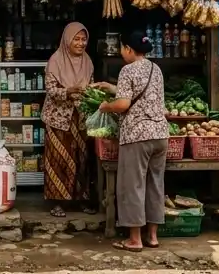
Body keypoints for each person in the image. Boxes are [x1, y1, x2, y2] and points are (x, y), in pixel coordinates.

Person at [94, 30, 168, 253]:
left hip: (137, 136)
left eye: (121, 47)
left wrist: (106, 106)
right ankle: (152, 236)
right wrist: (111, 87)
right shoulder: (156, 69)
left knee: (132, 186)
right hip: (160, 135)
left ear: (128, 49)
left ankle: (135, 239)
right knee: (155, 185)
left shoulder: (127, 70)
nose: (120, 52)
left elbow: (123, 105)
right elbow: (141, 94)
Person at [43, 21, 96, 217]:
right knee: (59, 159)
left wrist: (91, 93)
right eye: (77, 39)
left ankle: (81, 199)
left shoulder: (88, 61)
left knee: (81, 158)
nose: (81, 43)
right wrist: (68, 91)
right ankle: (58, 202)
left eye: (84, 40)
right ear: (67, 40)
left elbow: (90, 86)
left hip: (80, 118)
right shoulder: (55, 60)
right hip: (58, 119)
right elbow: (50, 89)